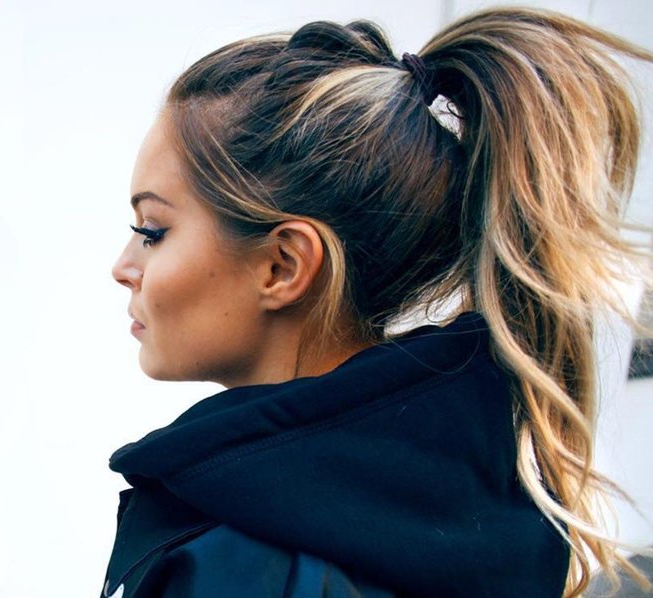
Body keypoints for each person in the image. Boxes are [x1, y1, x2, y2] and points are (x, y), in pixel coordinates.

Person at [102, 7, 653, 597]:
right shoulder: (482, 514)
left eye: (153, 231)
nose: (123, 268)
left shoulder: (237, 564)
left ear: (282, 266)